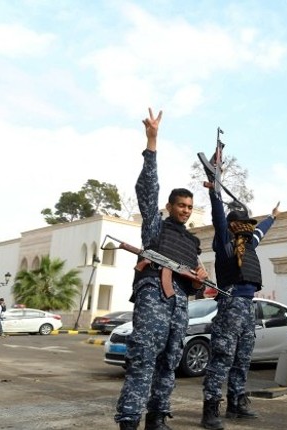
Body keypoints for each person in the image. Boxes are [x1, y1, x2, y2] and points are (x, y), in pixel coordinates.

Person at [114, 108, 208, 430]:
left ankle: (158, 418)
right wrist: (152, 142)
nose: (185, 210)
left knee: (169, 361)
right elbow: (147, 190)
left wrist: (199, 280)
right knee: (143, 358)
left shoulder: (193, 243)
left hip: (180, 302)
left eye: (189, 207)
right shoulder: (155, 227)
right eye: (180, 205)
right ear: (170, 207)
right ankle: (129, 420)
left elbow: (196, 287)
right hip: (154, 292)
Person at [199, 177, 280, 430]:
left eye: (248, 223)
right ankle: (210, 409)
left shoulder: (249, 244)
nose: (246, 227)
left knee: (243, 357)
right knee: (222, 357)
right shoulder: (224, 244)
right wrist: (214, 194)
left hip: (247, 307)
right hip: (231, 304)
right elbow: (218, 219)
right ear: (234, 225)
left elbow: (260, 232)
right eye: (242, 223)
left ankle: (236, 402)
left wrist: (273, 217)